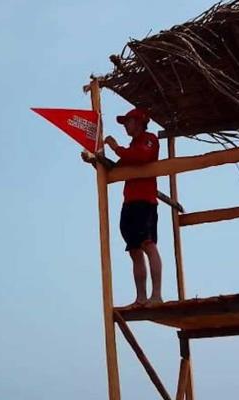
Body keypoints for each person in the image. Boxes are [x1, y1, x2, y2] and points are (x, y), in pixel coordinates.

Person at [103, 107, 164, 307]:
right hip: (130, 203)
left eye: (128, 122)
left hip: (144, 201)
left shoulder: (149, 139)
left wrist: (116, 147)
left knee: (148, 245)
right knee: (134, 250)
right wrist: (96, 160)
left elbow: (141, 157)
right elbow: (116, 167)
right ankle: (141, 298)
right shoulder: (132, 146)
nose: (126, 126)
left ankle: (156, 296)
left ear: (138, 122)